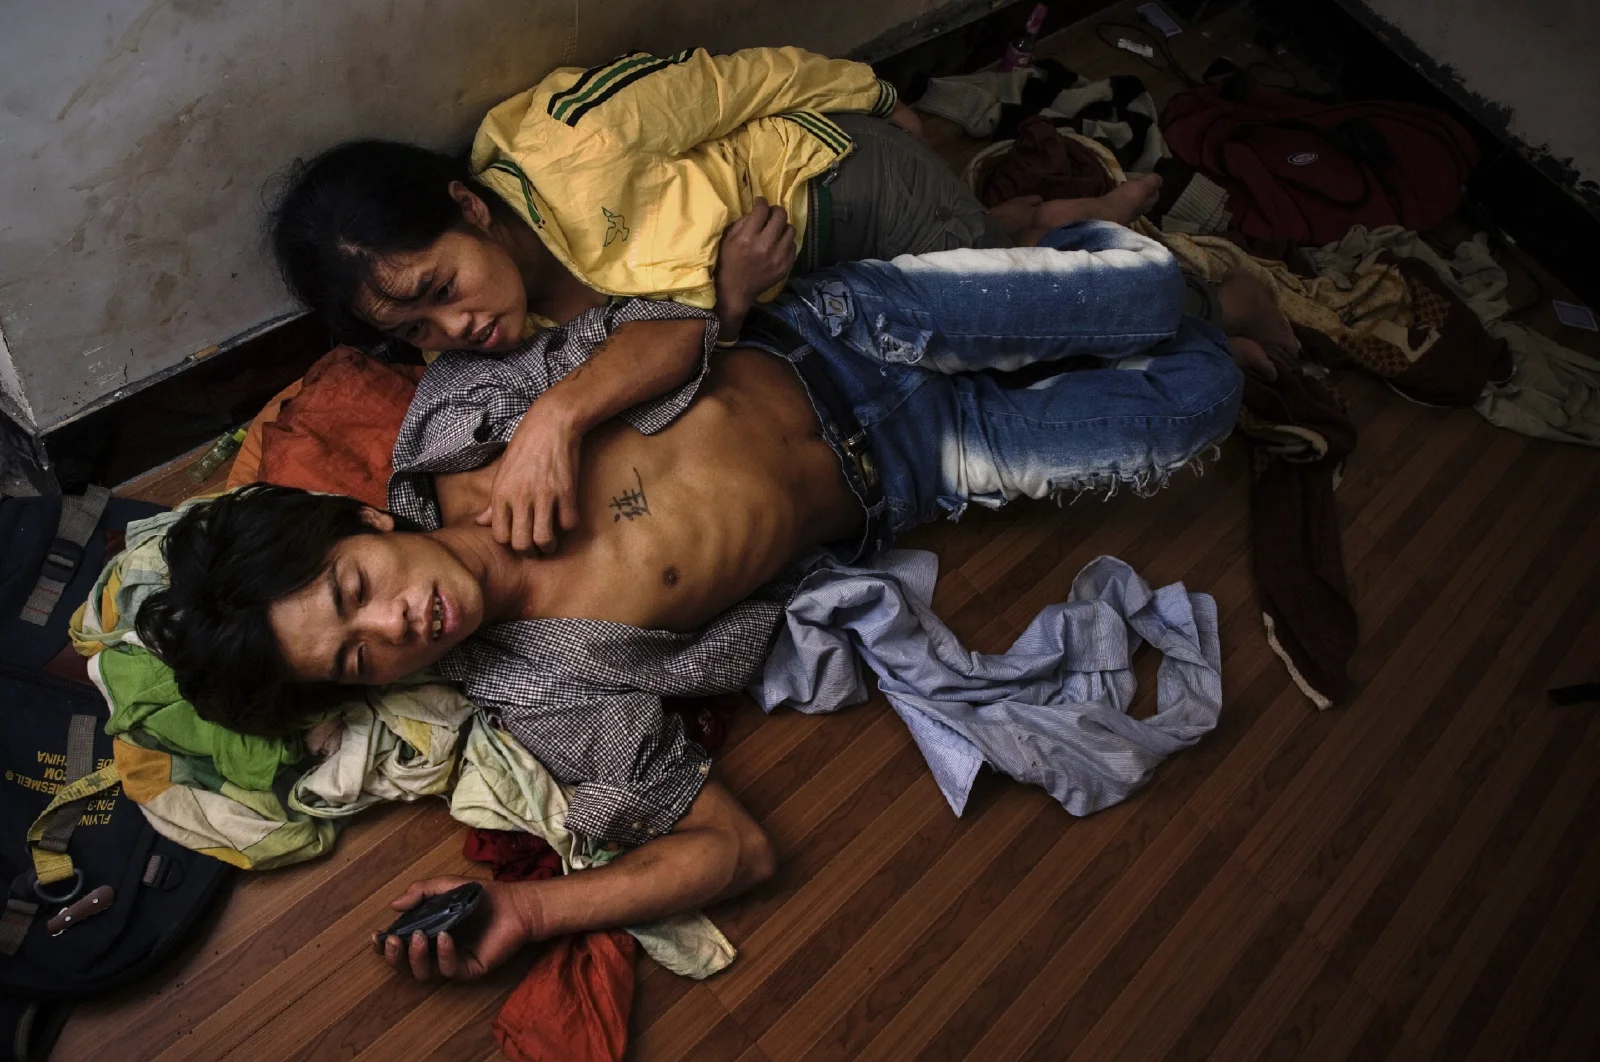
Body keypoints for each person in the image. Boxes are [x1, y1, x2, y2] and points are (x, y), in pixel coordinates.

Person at [140, 221, 1260, 982]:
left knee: (1161, 288)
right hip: (916, 467)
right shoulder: (548, 687)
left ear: (370, 528)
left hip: (840, 328)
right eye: (353, 661)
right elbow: (735, 853)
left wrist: (556, 420)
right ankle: (1120, 318)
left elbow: (678, 328)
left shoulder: (454, 427)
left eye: (354, 591)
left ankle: (1083, 265)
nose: (392, 630)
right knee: (1208, 395)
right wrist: (532, 913)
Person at [269, 46, 1202, 556]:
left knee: (1018, 317)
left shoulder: (572, 135)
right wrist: (729, 303)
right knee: (960, 313)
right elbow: (678, 347)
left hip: (837, 190)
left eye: (440, 291)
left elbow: (737, 82)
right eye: (416, 331)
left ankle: (1093, 229)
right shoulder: (474, 349)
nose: (454, 331)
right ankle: (1044, 216)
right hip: (793, 291)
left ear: (469, 206)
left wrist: (875, 94)